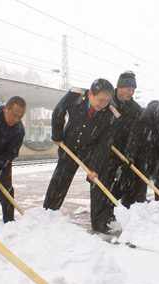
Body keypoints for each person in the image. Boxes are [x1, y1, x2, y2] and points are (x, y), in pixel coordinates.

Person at [43, 79, 116, 233]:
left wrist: (95, 167)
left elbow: (105, 144)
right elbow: (58, 111)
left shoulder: (111, 113)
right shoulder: (75, 95)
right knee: (60, 179)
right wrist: (57, 135)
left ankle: (99, 222)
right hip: (70, 145)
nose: (103, 104)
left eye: (107, 101)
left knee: (99, 179)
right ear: (90, 94)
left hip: (91, 149)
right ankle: (48, 213)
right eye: (100, 100)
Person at [107, 71, 143, 208]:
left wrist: (130, 154)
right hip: (107, 149)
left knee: (126, 179)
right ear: (119, 87)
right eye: (129, 89)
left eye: (133, 89)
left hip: (124, 149)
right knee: (105, 181)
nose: (131, 92)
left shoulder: (135, 109)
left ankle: (127, 207)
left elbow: (135, 133)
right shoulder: (107, 102)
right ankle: (105, 208)